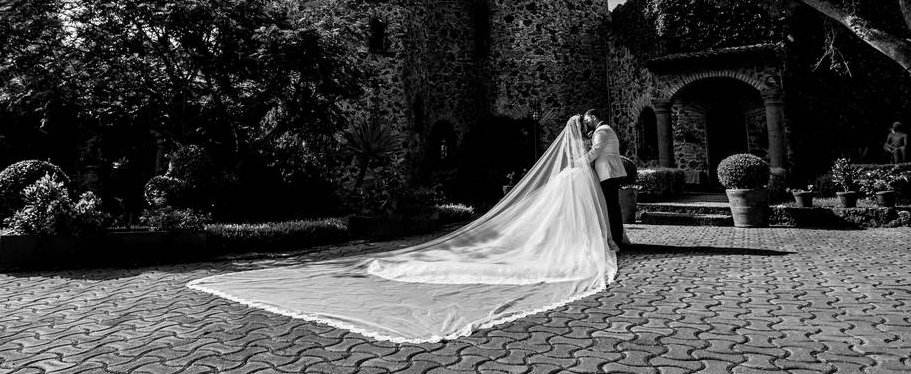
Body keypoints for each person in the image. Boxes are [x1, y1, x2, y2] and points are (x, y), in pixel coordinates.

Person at [188, 115, 617, 343]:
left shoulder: (587, 140)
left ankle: (590, 242)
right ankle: (594, 243)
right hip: (581, 181)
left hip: (578, 178)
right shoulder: (587, 141)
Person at [581, 109, 628, 249]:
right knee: (612, 205)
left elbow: (596, 151)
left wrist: (579, 162)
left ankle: (616, 237)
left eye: (587, 120)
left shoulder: (601, 131)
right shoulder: (604, 129)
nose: (586, 123)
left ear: (594, 117)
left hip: (608, 173)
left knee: (611, 206)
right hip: (609, 172)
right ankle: (616, 235)